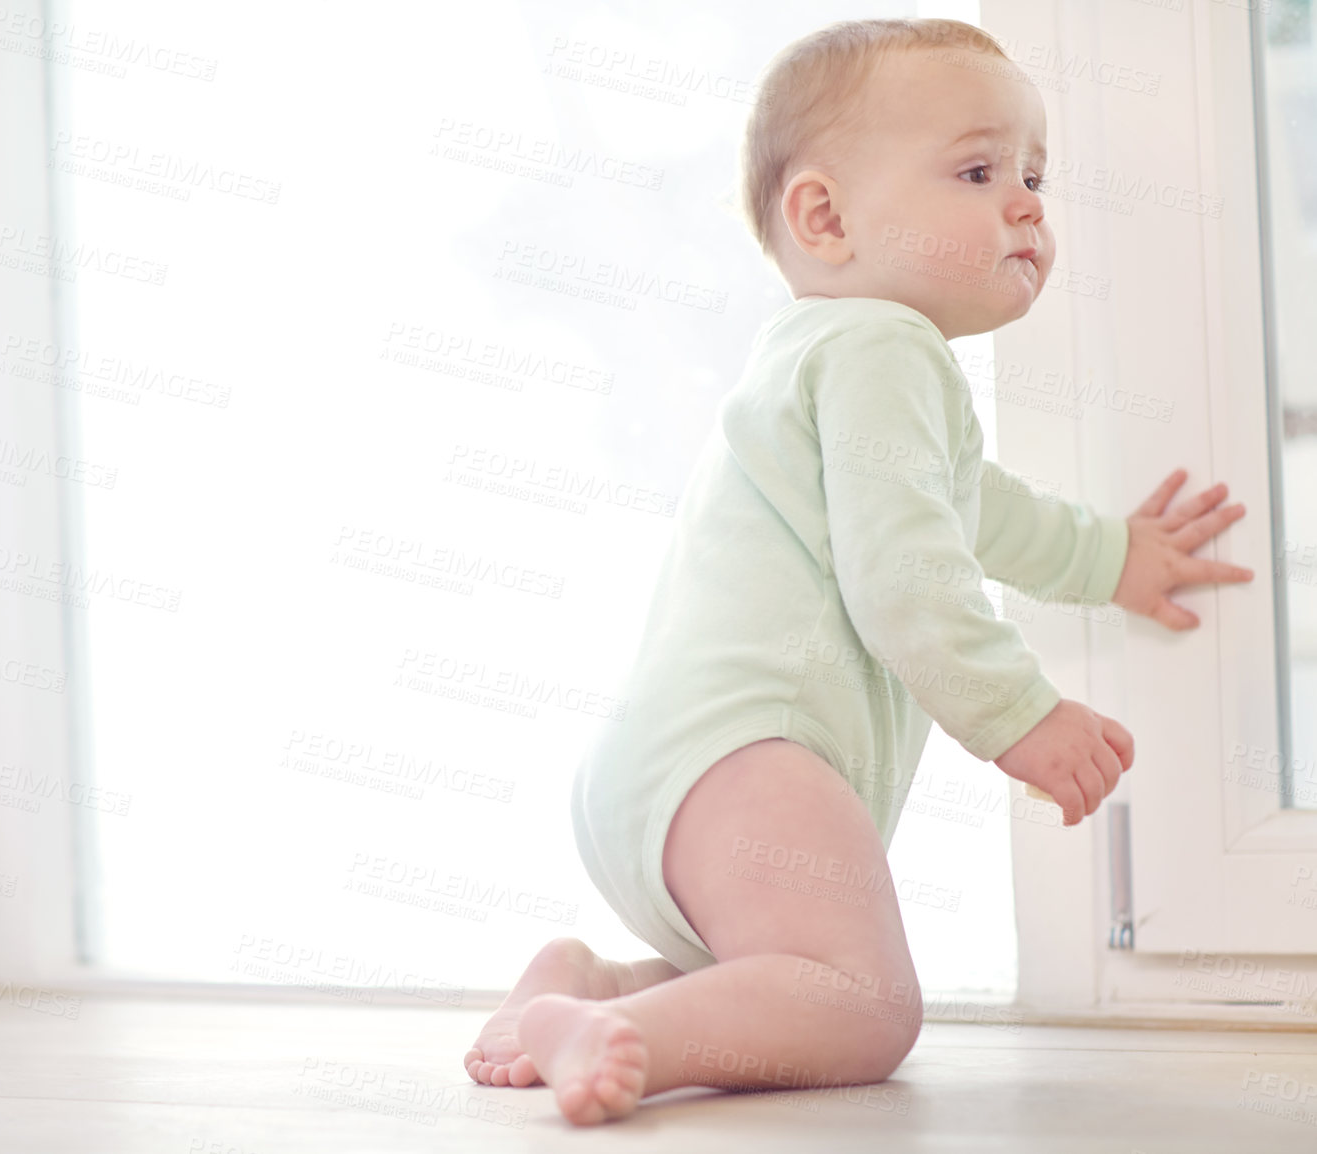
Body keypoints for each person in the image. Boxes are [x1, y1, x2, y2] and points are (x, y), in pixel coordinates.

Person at [462, 17, 1256, 1126]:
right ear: (825, 217)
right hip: (743, 762)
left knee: (788, 981)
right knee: (868, 1008)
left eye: (1034, 175)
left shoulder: (822, 357)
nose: (1027, 203)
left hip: (663, 776)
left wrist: (1112, 554)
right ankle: (620, 1033)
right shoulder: (883, 347)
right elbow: (906, 577)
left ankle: (593, 986)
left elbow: (980, 511)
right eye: (978, 171)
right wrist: (1018, 714)